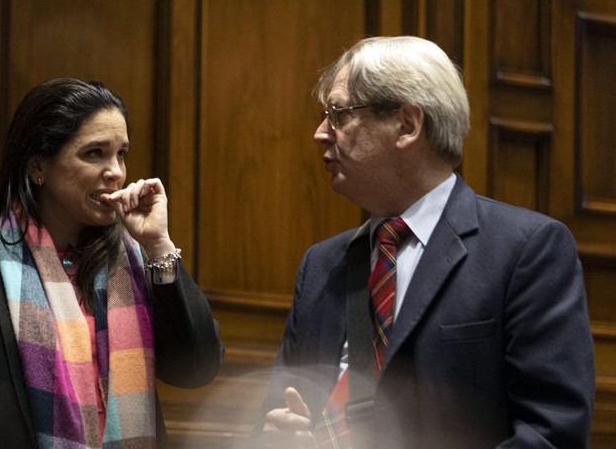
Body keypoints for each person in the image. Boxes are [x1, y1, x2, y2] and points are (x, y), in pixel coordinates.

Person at [252, 36, 595, 448]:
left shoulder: (527, 250)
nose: (320, 133)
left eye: (338, 114)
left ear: (407, 125)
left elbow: (551, 433)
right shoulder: (322, 265)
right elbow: (276, 416)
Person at [0, 78, 223, 448]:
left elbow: (197, 369)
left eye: (121, 154)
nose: (116, 172)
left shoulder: (137, 262)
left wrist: (160, 247)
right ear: (38, 168)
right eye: (94, 153)